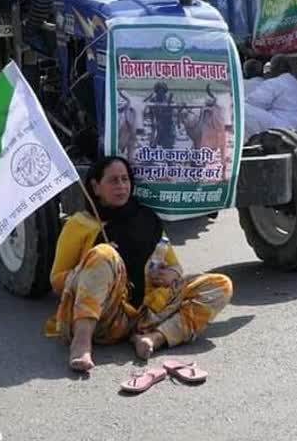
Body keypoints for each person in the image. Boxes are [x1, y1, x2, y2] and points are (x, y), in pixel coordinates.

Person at [46, 156, 233, 371]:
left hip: (147, 316)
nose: (122, 186)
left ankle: (155, 338)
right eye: (113, 180)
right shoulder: (79, 224)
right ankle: (81, 342)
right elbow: (57, 280)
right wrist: (102, 267)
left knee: (221, 285)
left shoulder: (146, 219)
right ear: (95, 187)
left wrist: (170, 274)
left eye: (125, 179)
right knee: (103, 253)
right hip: (107, 318)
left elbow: (175, 267)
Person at [244, 56, 297, 139]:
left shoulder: (275, 82)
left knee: (242, 108)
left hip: (283, 125)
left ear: (276, 67)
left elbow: (254, 102)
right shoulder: (294, 82)